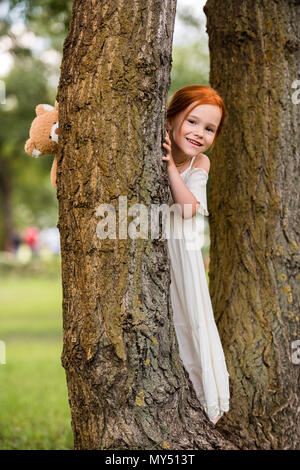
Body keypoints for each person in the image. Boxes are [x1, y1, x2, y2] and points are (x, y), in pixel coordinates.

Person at [162, 85, 230, 425]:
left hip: (184, 255)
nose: (198, 133)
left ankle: (200, 398)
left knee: (190, 319)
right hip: (160, 250)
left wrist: (171, 167)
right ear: (172, 117)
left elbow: (187, 208)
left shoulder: (197, 161)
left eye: (209, 129)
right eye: (192, 122)